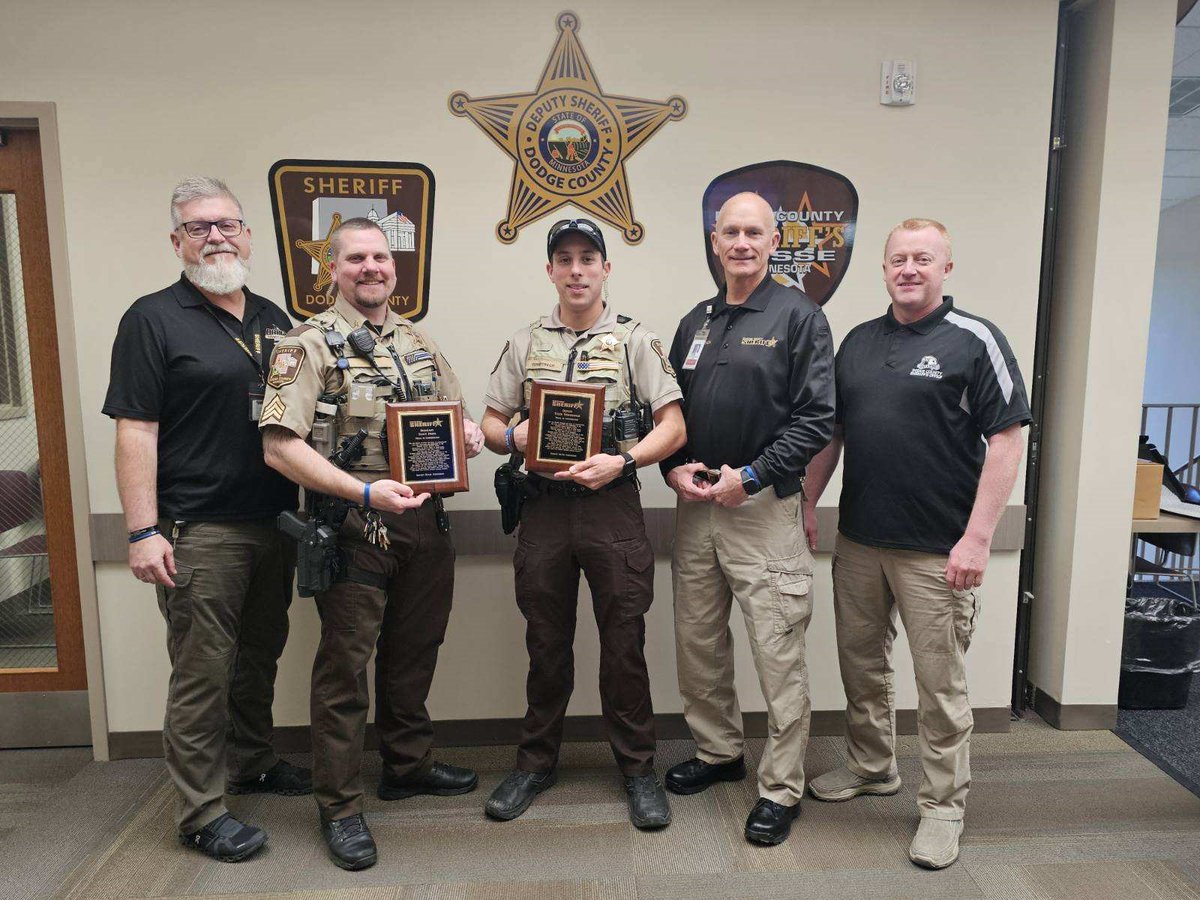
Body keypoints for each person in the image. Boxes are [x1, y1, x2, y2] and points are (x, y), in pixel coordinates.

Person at [259, 217, 485, 870]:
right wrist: (362, 495)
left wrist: (467, 436)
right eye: (355, 258)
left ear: (395, 268)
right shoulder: (305, 345)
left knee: (414, 652)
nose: (371, 268)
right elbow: (278, 446)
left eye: (380, 257)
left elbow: (453, 419)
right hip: (356, 525)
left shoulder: (419, 341)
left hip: (424, 524)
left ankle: (408, 766)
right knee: (345, 670)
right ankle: (340, 806)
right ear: (332, 269)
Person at [803, 218, 1029, 870]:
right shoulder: (858, 343)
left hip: (938, 550)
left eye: (923, 259)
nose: (909, 268)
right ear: (883, 268)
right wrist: (807, 507)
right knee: (862, 667)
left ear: (945, 269)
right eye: (898, 258)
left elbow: (1009, 441)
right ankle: (873, 766)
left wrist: (978, 540)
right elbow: (834, 435)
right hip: (861, 541)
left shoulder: (974, 341)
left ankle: (942, 807)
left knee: (940, 686)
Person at [102, 176, 307, 863]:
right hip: (199, 530)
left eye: (226, 224)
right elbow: (136, 429)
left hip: (274, 522)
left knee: (258, 657)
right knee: (202, 672)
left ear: (247, 234)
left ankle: (251, 760)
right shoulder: (153, 318)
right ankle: (199, 811)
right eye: (198, 227)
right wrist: (141, 530)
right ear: (177, 241)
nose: (215, 236)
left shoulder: (275, 319)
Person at [479, 217, 686, 829]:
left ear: (605, 269)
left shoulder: (635, 341)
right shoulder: (523, 343)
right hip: (542, 508)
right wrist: (512, 435)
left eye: (587, 259)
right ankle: (535, 763)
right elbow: (490, 424)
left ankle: (638, 770)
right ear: (550, 270)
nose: (576, 270)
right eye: (564, 259)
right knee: (545, 641)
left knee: (624, 642)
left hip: (610, 505)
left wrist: (622, 458)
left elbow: (674, 427)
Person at [660, 192, 835, 846]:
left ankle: (782, 787)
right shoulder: (696, 320)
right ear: (714, 241)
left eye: (753, 232)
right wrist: (670, 466)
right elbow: (669, 411)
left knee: (776, 650)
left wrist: (753, 476)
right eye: (729, 231)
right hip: (697, 504)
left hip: (761, 508)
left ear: (772, 240)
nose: (740, 242)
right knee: (697, 640)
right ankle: (717, 753)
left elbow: (816, 419)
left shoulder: (799, 316)